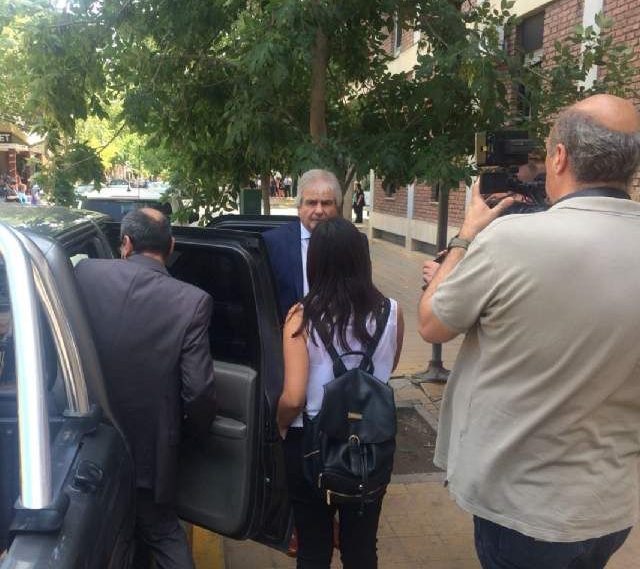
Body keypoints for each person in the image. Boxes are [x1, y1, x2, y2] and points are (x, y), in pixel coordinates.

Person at [418, 94, 640, 569]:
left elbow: (432, 324)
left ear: (559, 157)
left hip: (522, 507)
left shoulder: (510, 240)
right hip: (609, 506)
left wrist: (465, 237)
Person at [75, 208, 216, 569]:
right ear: (171, 245)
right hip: (150, 451)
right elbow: (198, 391)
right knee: (162, 532)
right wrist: (191, 435)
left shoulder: (85, 274)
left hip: (85, 441)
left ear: (125, 243)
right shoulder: (191, 301)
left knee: (115, 537)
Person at [277, 217, 404, 569]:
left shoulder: (300, 317)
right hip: (371, 443)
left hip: (310, 444)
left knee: (313, 548)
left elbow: (293, 397)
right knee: (361, 548)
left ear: (315, 261)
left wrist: (280, 425)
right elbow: (386, 369)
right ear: (362, 260)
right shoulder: (392, 311)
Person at [263, 169, 344, 322]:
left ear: (337, 208)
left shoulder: (354, 243)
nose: (319, 210)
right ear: (299, 207)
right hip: (289, 333)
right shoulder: (272, 243)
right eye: (311, 202)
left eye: (326, 203)